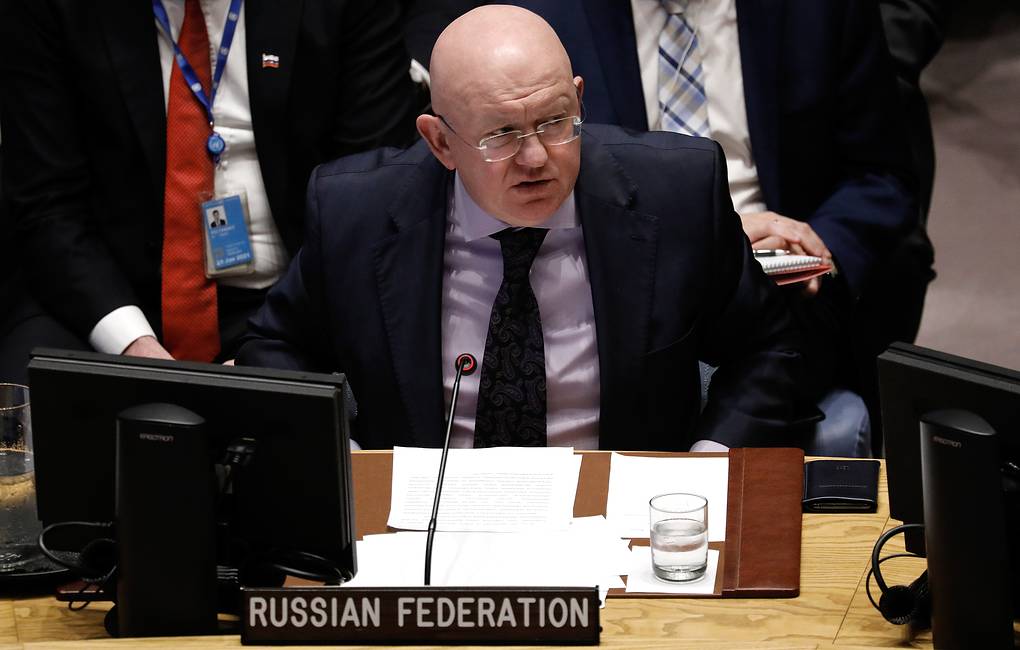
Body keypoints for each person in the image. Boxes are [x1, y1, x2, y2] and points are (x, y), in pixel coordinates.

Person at [237, 5, 819, 451]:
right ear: (440, 142)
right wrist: (339, 454)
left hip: (618, 516)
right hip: (427, 522)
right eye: (501, 136)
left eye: (555, 121)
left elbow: (767, 349)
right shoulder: (355, 213)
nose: (537, 157)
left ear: (579, 100)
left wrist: (710, 463)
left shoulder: (678, 193)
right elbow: (273, 347)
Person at [0, 0, 419, 383]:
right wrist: (131, 342)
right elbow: (47, 204)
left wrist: (279, 338)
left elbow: (372, 189)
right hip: (115, 289)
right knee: (27, 407)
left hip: (295, 290)